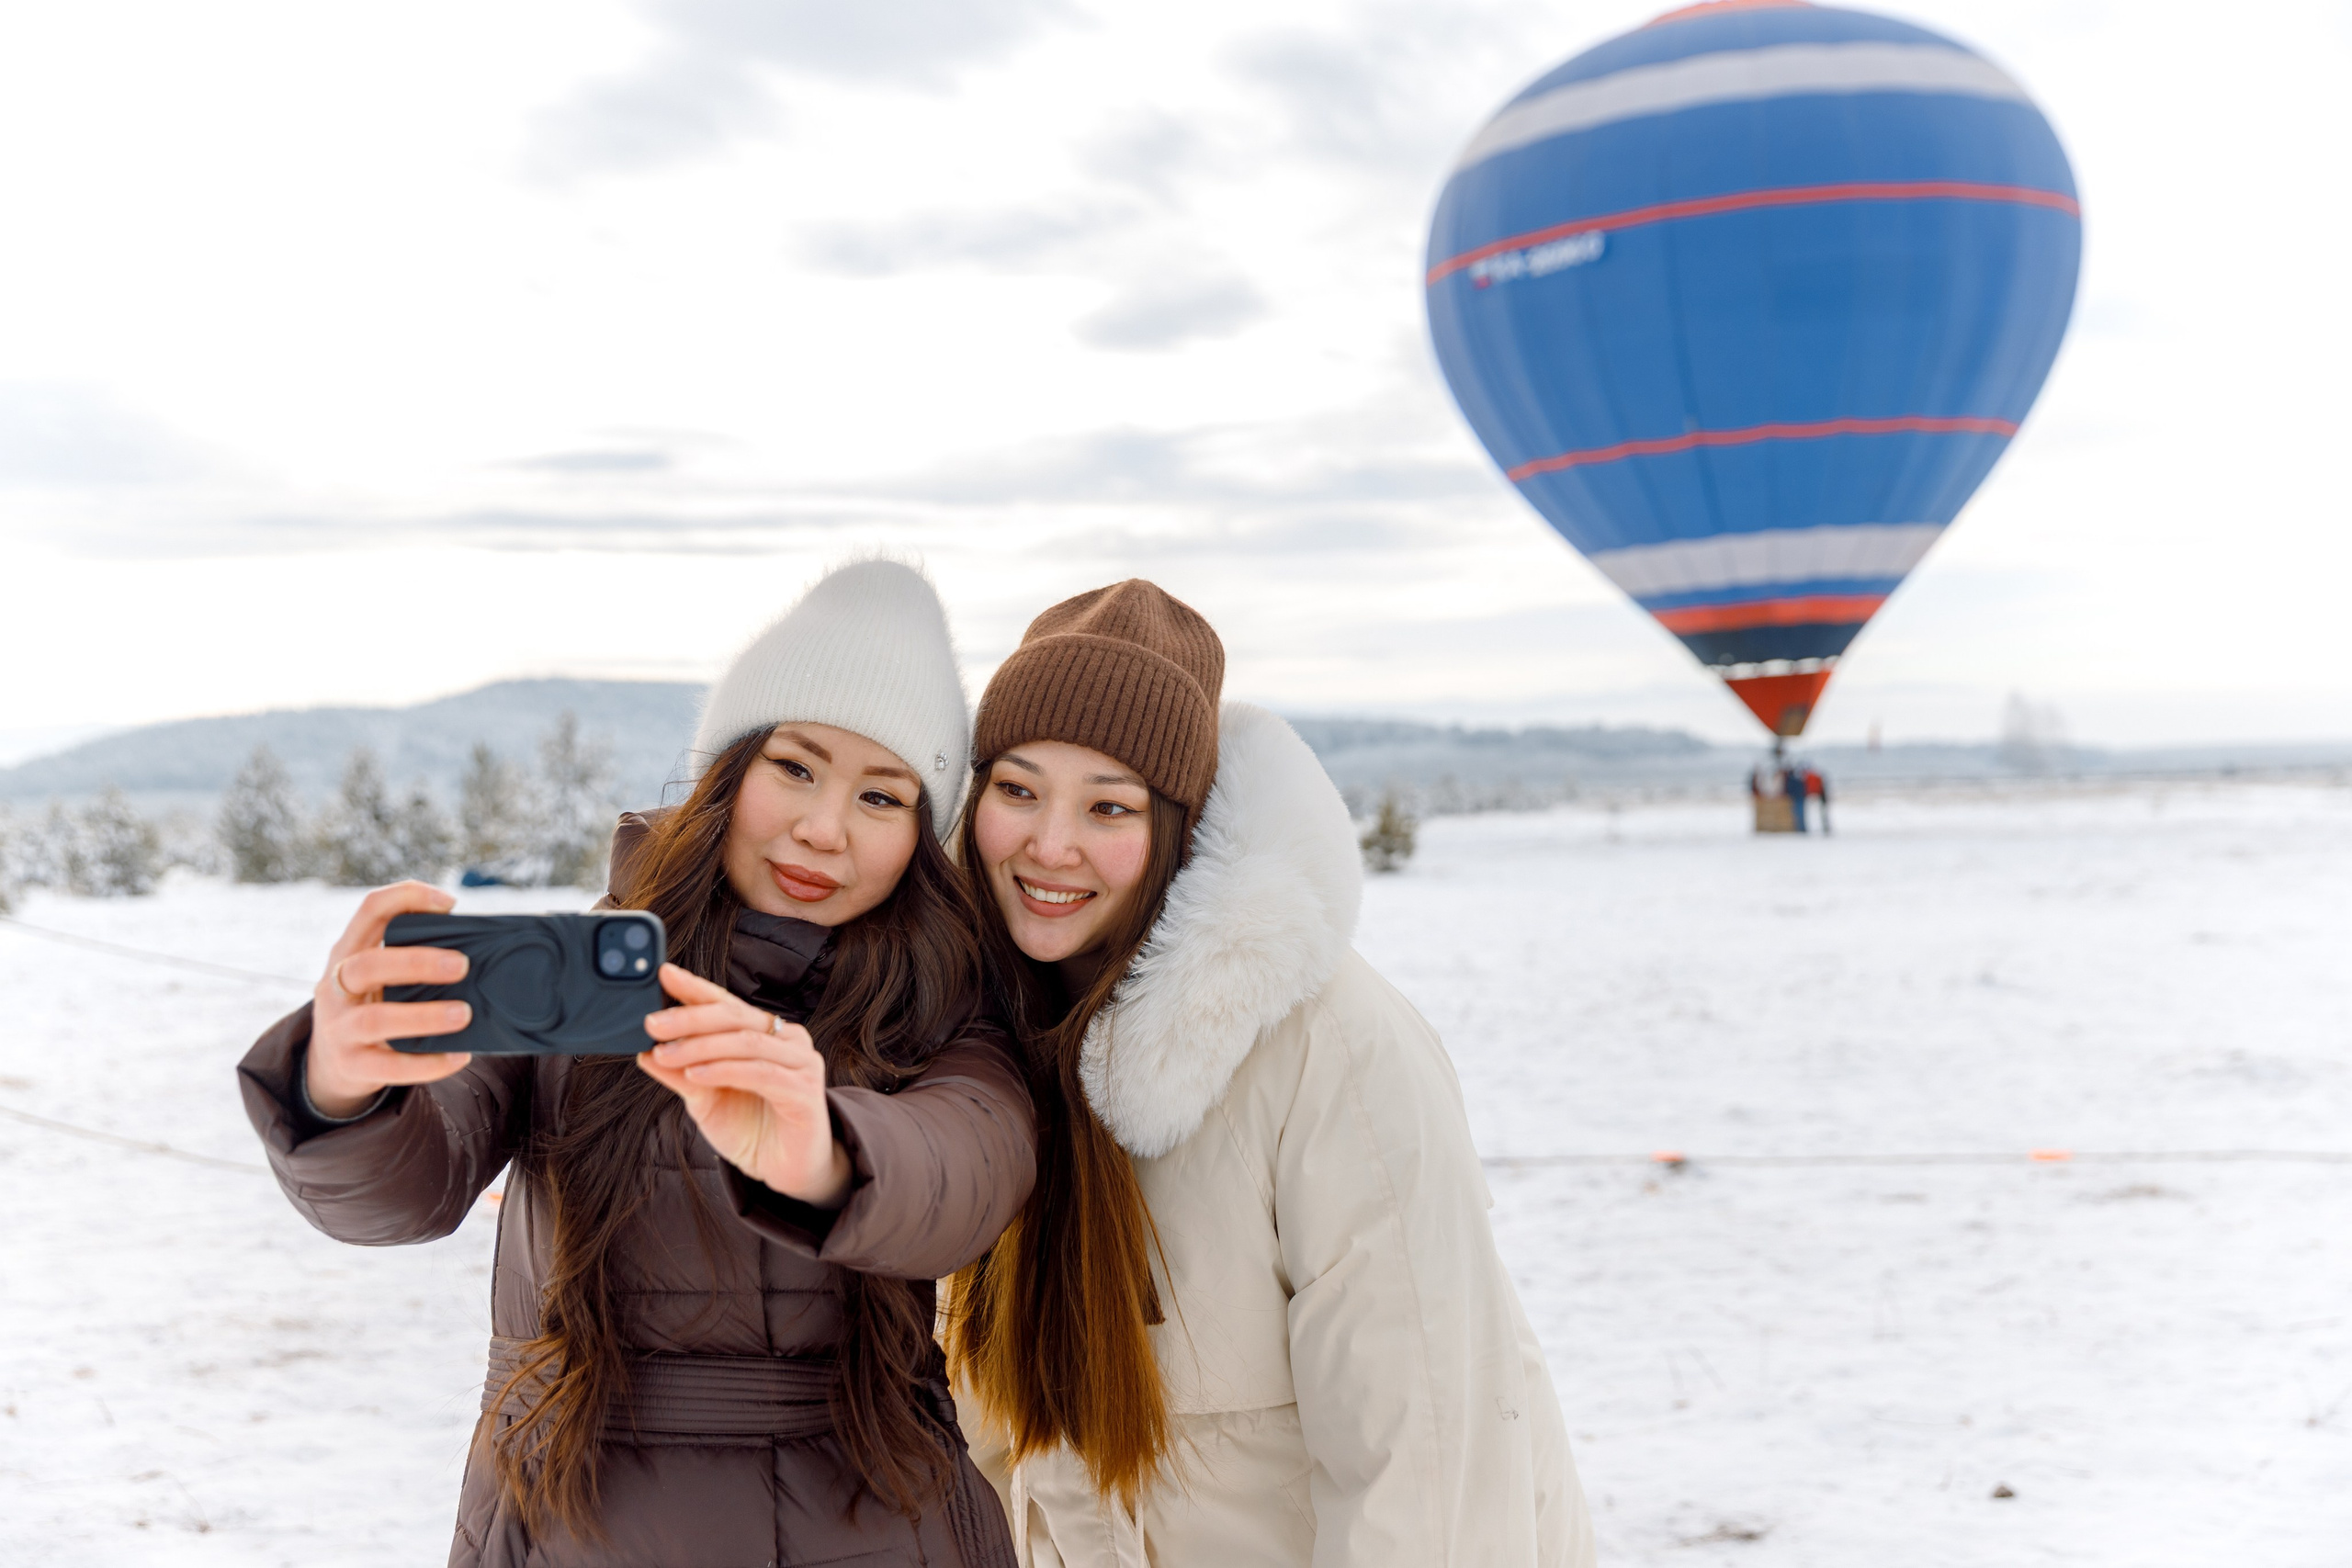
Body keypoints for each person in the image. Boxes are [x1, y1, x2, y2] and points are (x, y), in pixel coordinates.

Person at [237, 561, 1032, 1567]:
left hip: (880, 1521)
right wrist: (344, 1088)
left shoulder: (945, 1009)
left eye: (881, 796)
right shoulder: (577, 984)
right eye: (794, 766)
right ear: (725, 773)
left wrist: (823, 1152)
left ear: (921, 835)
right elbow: (403, 1191)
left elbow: (970, 1168)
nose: (823, 829)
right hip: (566, 1516)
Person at [942, 581, 1595, 1566]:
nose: (1050, 844)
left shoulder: (1326, 1044)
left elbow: (1424, 1459)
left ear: (1176, 826)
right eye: (1019, 790)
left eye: (1107, 805)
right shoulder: (971, 1047)